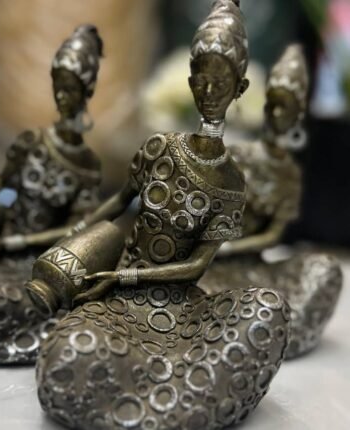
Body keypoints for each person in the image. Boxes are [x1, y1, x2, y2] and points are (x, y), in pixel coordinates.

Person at [34, 2, 290, 428]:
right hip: (119, 300)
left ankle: (164, 397)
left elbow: (196, 266)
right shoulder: (160, 148)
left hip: (181, 308)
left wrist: (126, 277)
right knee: (69, 353)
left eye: (222, 82)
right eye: (202, 79)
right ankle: (168, 395)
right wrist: (74, 238)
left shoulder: (231, 183)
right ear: (189, 82)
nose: (210, 91)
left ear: (240, 88)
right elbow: (118, 204)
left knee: (266, 310)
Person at [0, 25, 104, 364]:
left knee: (22, 307)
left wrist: (20, 243)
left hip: (43, 264)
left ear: (86, 92)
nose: (62, 96)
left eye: (71, 89)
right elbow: (1, 183)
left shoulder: (87, 166)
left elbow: (76, 230)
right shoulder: (32, 142)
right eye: (58, 87)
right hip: (2, 252)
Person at [203, 45, 342, 359]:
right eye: (273, 106)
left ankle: (266, 329)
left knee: (321, 270)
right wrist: (214, 246)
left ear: (298, 116)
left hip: (250, 263)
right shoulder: (239, 155)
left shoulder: (289, 175)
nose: (277, 115)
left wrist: (234, 248)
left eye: (286, 109)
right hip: (211, 258)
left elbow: (274, 235)